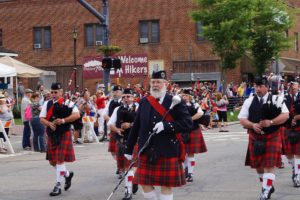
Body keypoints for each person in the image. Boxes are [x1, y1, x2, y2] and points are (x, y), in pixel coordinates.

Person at [124, 71, 193, 200]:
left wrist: (167, 126)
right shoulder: (144, 102)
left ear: (166, 84)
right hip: (146, 149)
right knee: (144, 184)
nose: (155, 85)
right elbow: (136, 127)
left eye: (158, 82)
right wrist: (129, 148)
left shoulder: (175, 101)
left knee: (166, 186)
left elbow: (187, 124)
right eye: (153, 82)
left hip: (167, 150)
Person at [238, 76, 289, 200]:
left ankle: (265, 192)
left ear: (267, 87)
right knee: (259, 166)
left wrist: (271, 122)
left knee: (269, 164)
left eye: (260, 86)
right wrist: (252, 125)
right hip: (255, 137)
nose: (258, 89)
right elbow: (242, 119)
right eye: (256, 86)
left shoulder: (277, 99)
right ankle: (267, 186)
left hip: (272, 136)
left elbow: (286, 115)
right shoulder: (249, 101)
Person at [40, 83, 80, 196]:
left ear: (61, 92)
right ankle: (67, 174)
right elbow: (41, 119)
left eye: (56, 92)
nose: (53, 94)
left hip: (64, 134)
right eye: (52, 92)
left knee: (59, 160)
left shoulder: (68, 103)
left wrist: (62, 120)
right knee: (52, 162)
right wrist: (49, 123)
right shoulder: (47, 104)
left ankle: (58, 185)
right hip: (52, 135)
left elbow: (77, 115)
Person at [108, 88, 138, 200]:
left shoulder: (139, 108)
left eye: (128, 96)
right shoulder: (117, 109)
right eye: (124, 96)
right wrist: (117, 130)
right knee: (125, 168)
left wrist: (130, 125)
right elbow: (110, 124)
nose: (126, 99)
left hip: (134, 141)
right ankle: (132, 182)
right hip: (121, 141)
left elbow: (143, 123)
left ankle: (128, 192)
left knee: (129, 167)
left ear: (133, 98)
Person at [181, 89, 207, 182]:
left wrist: (190, 119)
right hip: (182, 131)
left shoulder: (194, 105)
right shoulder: (179, 105)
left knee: (191, 153)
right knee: (183, 153)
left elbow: (200, 113)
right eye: (183, 95)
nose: (184, 97)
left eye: (186, 95)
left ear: (190, 96)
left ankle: (190, 173)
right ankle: (185, 170)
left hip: (193, 130)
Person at [282, 81, 300, 187]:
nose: (293, 88)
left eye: (295, 87)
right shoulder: (284, 98)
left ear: (298, 87)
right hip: (287, 127)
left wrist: (297, 118)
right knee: (288, 154)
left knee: (298, 153)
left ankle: (297, 176)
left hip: (299, 127)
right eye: (291, 87)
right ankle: (294, 168)